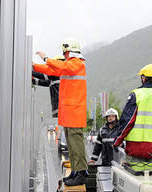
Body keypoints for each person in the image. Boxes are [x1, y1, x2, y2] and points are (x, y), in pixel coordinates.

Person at [33, 37, 88, 186]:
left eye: (65, 52)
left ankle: (81, 172)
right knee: (71, 144)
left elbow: (58, 66)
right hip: (70, 112)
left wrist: (45, 57)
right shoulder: (70, 65)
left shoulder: (76, 63)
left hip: (74, 112)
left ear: (69, 51)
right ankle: (76, 171)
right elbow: (51, 70)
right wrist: (33, 66)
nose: (64, 55)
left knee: (76, 143)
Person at [113, 64, 152, 163]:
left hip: (136, 149)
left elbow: (127, 121)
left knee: (131, 177)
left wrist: (117, 141)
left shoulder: (137, 95)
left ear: (144, 78)